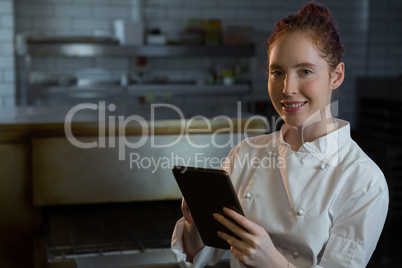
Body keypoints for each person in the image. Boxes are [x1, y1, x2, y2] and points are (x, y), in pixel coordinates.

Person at [171, 2, 389, 267]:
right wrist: (197, 221)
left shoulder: (364, 180)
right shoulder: (246, 153)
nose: (288, 88)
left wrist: (271, 261)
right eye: (277, 72)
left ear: (336, 75)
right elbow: (197, 257)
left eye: (305, 71)